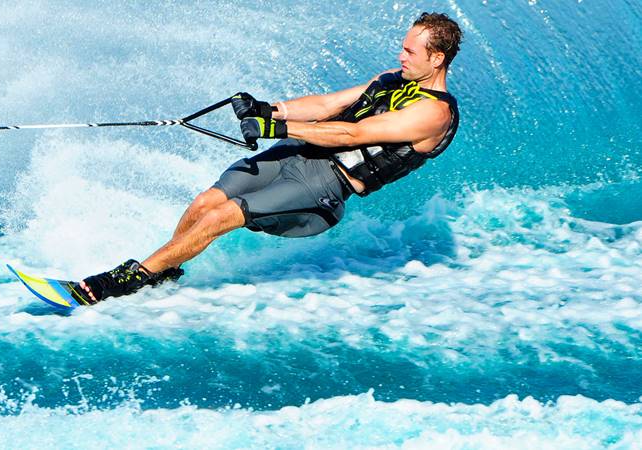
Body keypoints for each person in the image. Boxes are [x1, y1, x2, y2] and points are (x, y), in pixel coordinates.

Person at [70, 12, 463, 305]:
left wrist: (278, 130)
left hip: (326, 184)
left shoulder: (434, 113)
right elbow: (330, 104)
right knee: (206, 202)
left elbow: (353, 133)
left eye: (411, 51)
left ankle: (123, 282)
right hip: (300, 154)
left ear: (437, 59)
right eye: (403, 46)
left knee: (222, 217)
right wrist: (271, 110)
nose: (401, 55)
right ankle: (163, 273)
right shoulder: (394, 78)